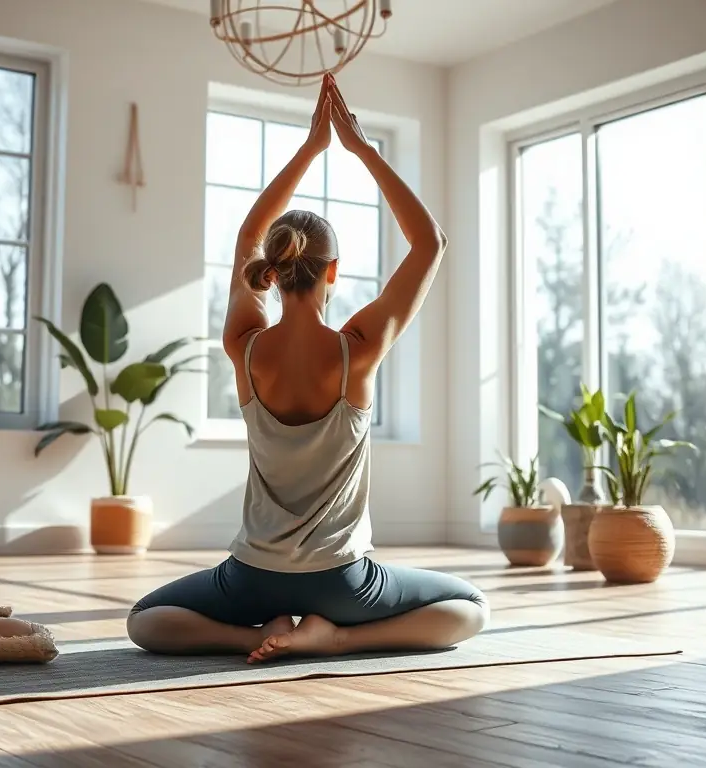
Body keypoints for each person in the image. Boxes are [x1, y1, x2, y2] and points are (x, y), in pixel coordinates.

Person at [127, 73, 487, 663]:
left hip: (253, 576)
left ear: (270, 270)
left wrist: (310, 146)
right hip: (342, 582)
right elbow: (430, 243)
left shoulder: (244, 345)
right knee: (470, 608)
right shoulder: (357, 350)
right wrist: (359, 147)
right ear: (333, 272)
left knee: (145, 621)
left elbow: (247, 234)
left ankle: (256, 634)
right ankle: (335, 636)